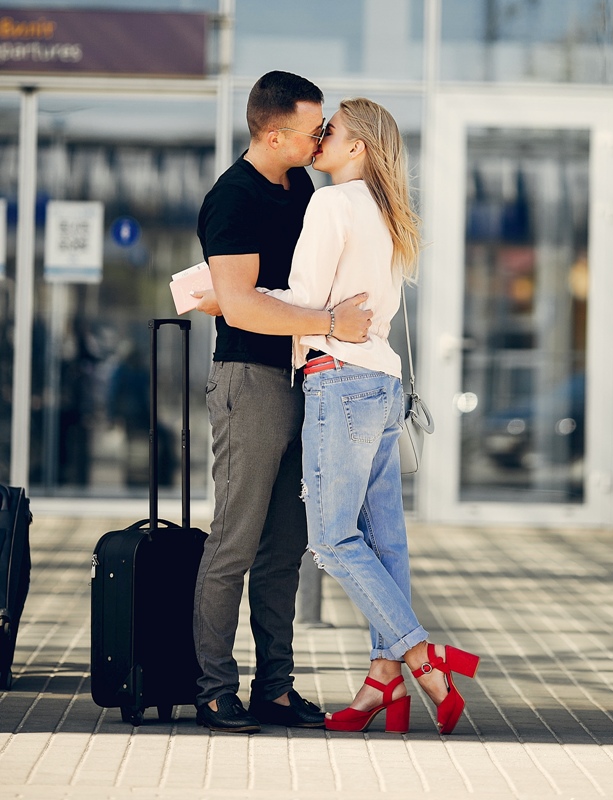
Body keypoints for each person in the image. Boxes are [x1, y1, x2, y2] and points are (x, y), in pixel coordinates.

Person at [200, 98, 480, 735]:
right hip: (382, 383)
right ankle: (385, 678)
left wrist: (225, 298)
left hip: (337, 381)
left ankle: (420, 654)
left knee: (330, 540)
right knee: (386, 542)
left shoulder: (328, 202)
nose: (321, 138)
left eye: (333, 132)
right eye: (316, 129)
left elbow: (301, 302)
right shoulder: (387, 209)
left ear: (357, 148)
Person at [192, 71, 373, 735]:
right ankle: (213, 689)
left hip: (308, 379)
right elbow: (239, 305)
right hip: (251, 381)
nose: (321, 137)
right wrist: (329, 323)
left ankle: (275, 688)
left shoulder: (301, 184)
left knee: (286, 548)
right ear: (273, 134)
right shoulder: (232, 199)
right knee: (234, 544)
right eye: (311, 130)